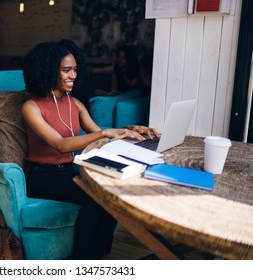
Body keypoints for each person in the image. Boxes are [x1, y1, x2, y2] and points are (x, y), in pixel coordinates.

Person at [21, 39, 159, 260]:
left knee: (110, 197)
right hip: (40, 176)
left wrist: (130, 130)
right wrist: (106, 133)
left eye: (75, 70)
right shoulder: (31, 107)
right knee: (94, 200)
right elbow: (60, 144)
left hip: (69, 171)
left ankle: (95, 258)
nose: (73, 76)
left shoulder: (74, 103)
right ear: (48, 71)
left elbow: (100, 133)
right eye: (66, 70)